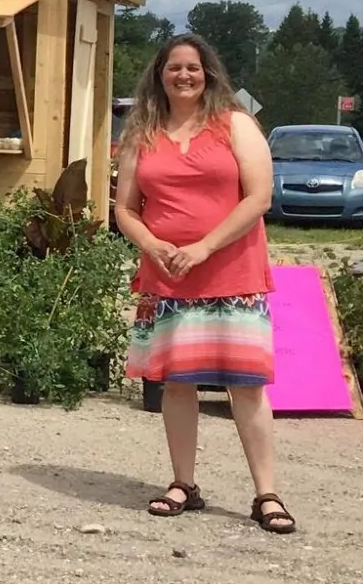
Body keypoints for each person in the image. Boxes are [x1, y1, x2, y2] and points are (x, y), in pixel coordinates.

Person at [115, 35, 294, 533]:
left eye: (193, 67)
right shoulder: (142, 133)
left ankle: (267, 493)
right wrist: (152, 245)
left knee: (247, 386)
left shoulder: (236, 124)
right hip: (168, 278)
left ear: (208, 73)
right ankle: (183, 483)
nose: (184, 76)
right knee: (178, 384)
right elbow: (125, 209)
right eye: (174, 68)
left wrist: (204, 247)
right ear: (160, 75)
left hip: (232, 274)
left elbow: (258, 197)